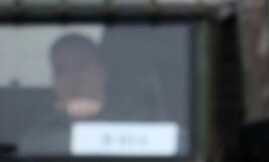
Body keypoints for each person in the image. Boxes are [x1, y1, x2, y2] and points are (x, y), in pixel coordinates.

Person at [18, 34, 165, 156]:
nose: (73, 78)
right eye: (62, 71)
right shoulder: (39, 134)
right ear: (54, 82)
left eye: (82, 67)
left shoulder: (137, 123)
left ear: (102, 73)